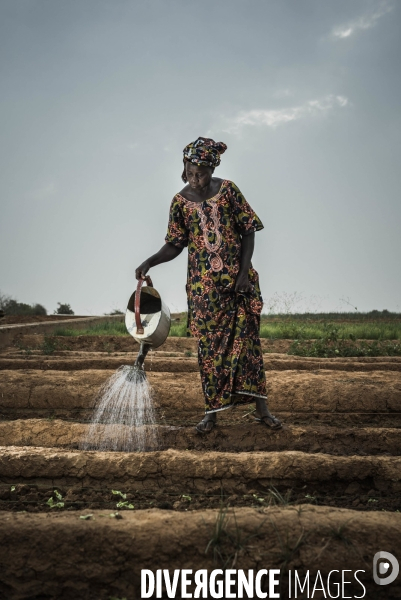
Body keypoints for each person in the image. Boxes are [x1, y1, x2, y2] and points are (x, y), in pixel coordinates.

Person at [135, 137, 282, 433]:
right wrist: (150, 261)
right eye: (190, 172)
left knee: (248, 346)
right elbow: (176, 244)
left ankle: (262, 409)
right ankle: (211, 414)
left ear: (212, 169)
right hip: (204, 290)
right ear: (185, 168)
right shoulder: (180, 202)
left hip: (238, 286)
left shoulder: (228, 191)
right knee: (209, 350)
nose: (195, 178)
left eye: (201, 173)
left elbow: (249, 230)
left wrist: (243, 273)